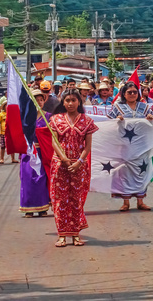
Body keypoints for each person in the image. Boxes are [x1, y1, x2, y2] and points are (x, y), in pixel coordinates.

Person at [49, 89, 99, 247]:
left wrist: (79, 161)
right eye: (67, 100)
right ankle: (62, 234)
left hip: (78, 165)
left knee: (77, 199)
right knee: (60, 199)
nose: (70, 103)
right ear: (62, 103)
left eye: (73, 100)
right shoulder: (55, 119)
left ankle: (76, 234)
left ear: (79, 102)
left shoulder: (87, 121)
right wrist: (63, 159)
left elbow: (87, 146)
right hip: (60, 164)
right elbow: (54, 142)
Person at [107, 82, 153, 211]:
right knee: (125, 173)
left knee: (141, 172)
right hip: (124, 146)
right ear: (124, 94)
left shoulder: (144, 107)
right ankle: (126, 202)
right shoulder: (117, 107)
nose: (132, 94)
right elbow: (108, 123)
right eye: (129, 92)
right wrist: (116, 120)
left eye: (135, 92)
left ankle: (141, 201)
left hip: (142, 146)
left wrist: (151, 118)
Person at [20, 90, 52, 218]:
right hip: (28, 152)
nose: (38, 102)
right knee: (27, 179)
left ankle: (43, 207)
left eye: (40, 99)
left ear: (44, 101)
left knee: (42, 179)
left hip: (43, 151)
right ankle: (28, 208)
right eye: (35, 99)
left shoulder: (49, 117)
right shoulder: (25, 118)